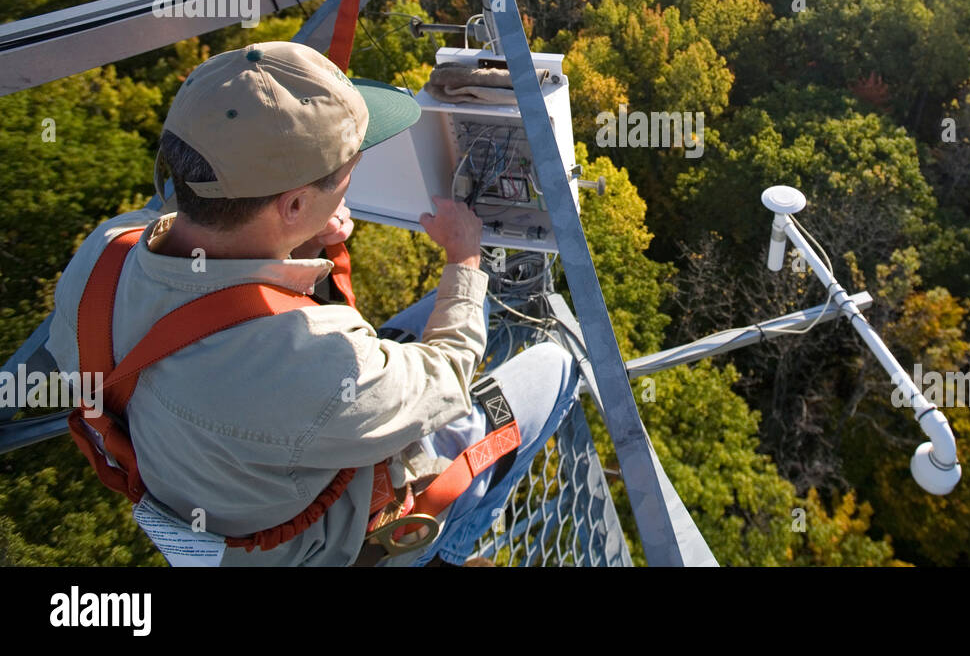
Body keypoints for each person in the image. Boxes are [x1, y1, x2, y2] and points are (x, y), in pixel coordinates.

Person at [44, 40, 579, 566]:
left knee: (476, 311)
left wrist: (296, 238)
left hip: (232, 484)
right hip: (340, 541)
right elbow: (448, 378)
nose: (348, 189)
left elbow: (223, 323)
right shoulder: (311, 361)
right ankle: (448, 546)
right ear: (293, 203)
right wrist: (464, 259)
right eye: (344, 176)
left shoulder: (102, 256)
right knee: (557, 366)